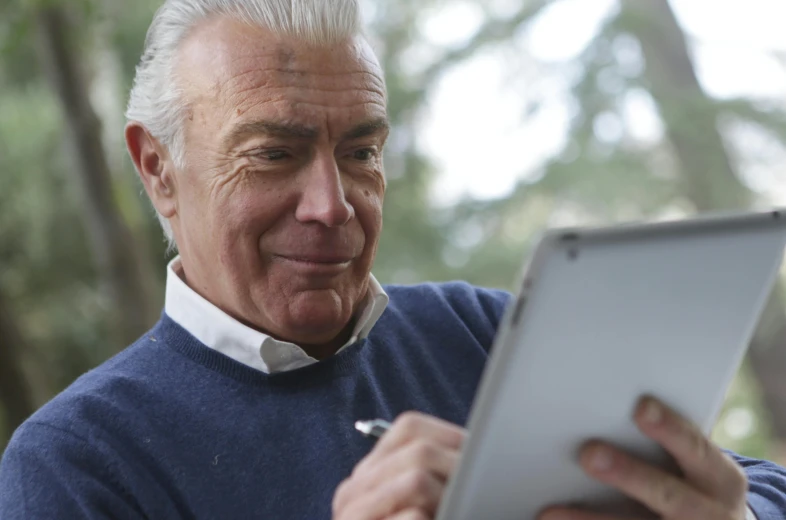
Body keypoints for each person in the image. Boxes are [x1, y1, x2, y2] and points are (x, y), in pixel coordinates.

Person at [1, 0, 785, 518]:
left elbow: (759, 484)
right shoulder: (77, 461)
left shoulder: (482, 332)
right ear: (158, 169)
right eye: (275, 153)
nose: (332, 203)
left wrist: (731, 511)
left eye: (361, 150)